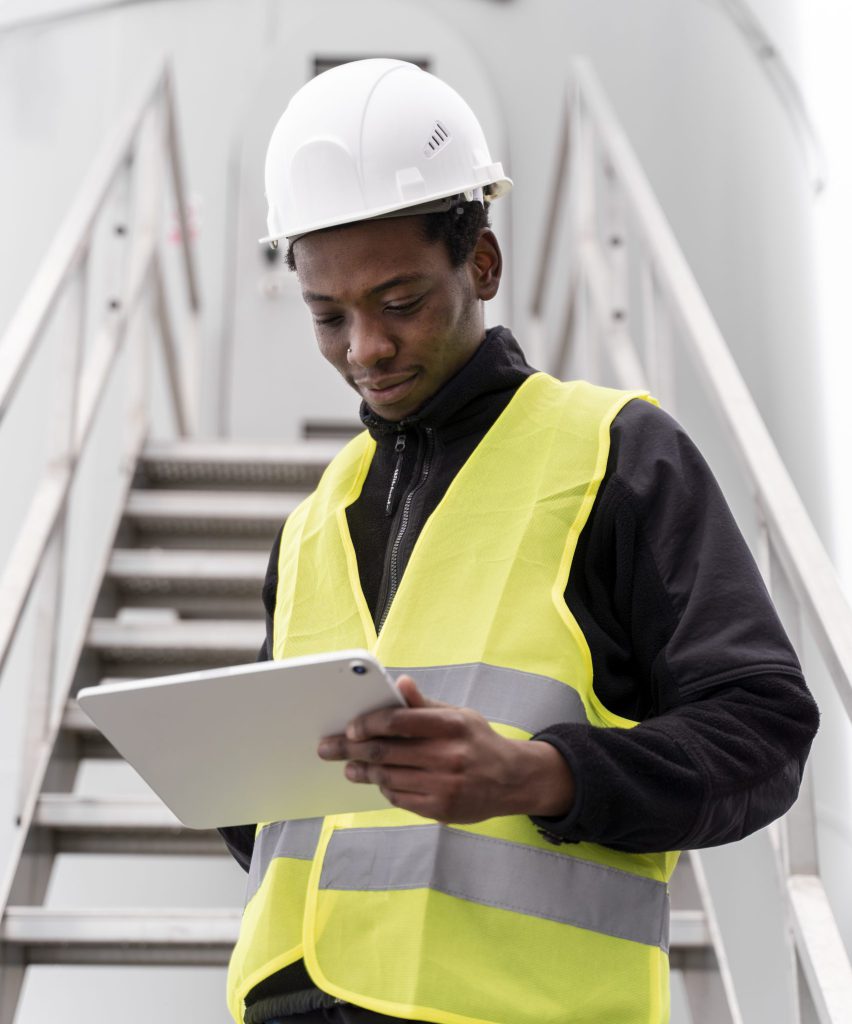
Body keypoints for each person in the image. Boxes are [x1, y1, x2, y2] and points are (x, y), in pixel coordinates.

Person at [219, 58, 818, 1024]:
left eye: (400, 303)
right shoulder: (317, 516)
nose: (365, 348)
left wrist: (541, 775)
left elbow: (764, 731)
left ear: (483, 264)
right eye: (328, 316)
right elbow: (278, 825)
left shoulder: (616, 454)